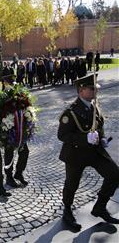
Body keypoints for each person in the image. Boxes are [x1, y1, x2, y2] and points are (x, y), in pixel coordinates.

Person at [58, 73, 119, 230]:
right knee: (71, 185)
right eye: (92, 89)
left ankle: (99, 207)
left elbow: (99, 126)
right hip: (76, 154)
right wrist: (84, 139)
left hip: (94, 153)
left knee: (114, 174)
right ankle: (67, 211)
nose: (95, 92)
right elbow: (62, 135)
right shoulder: (70, 112)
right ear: (81, 90)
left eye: (95, 89)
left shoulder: (94, 106)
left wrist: (102, 139)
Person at [0, 75, 30, 188]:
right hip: (9, 131)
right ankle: (9, 177)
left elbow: (26, 106)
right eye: (9, 83)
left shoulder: (19, 95)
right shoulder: (2, 97)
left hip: (20, 130)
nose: (12, 85)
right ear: (4, 84)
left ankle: (18, 173)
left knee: (25, 152)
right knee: (9, 154)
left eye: (13, 83)